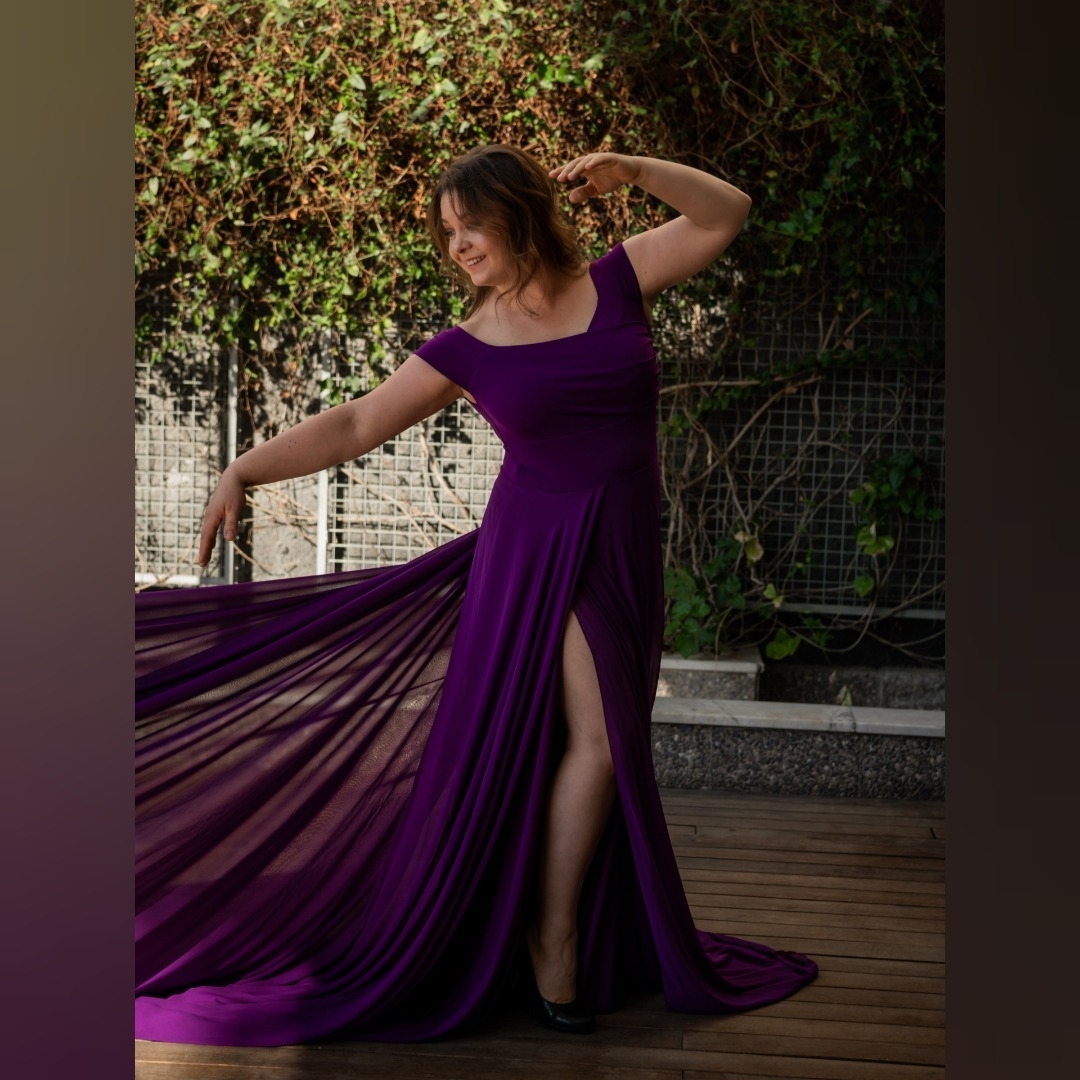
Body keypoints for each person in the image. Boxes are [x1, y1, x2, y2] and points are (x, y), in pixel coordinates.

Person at [134, 146, 817, 1047]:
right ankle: (551, 934)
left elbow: (728, 210)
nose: (456, 246)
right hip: (537, 558)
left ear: (521, 212)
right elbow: (357, 421)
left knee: (592, 745)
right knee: (603, 742)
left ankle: (545, 919)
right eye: (446, 232)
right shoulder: (470, 345)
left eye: (471, 225)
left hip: (622, 549)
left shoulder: (619, 281)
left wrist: (632, 170)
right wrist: (243, 469)